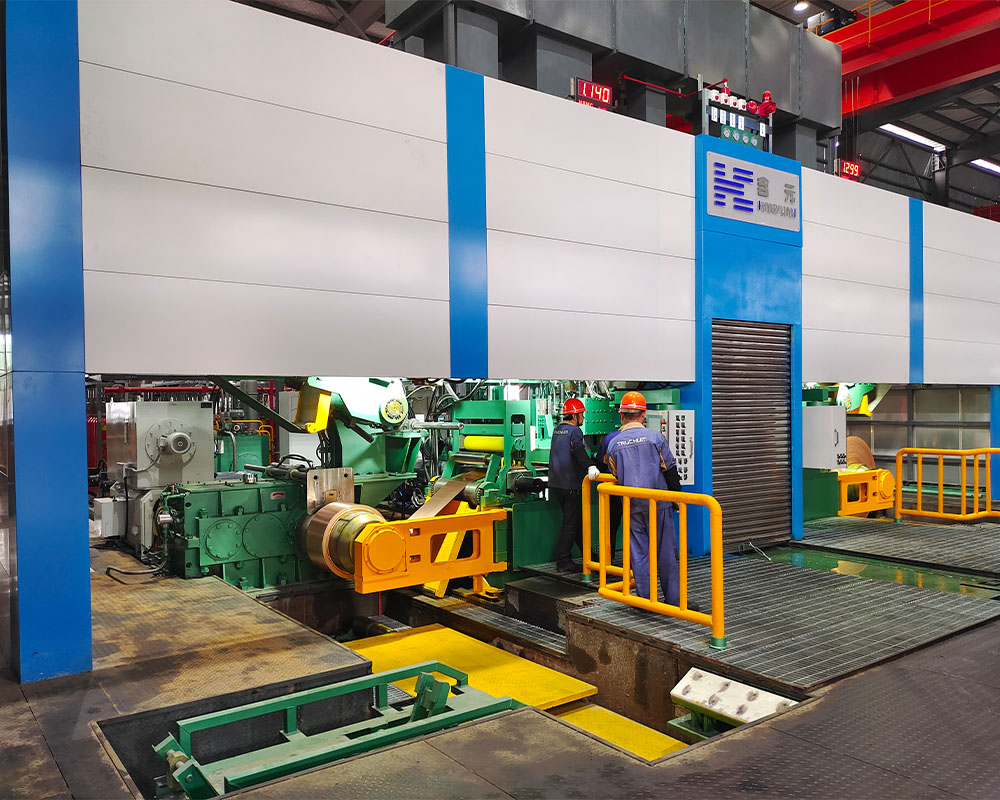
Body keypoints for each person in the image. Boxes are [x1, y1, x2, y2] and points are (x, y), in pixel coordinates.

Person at [605, 391, 694, 610]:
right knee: (666, 553)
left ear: (621, 415)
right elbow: (670, 470)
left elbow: (615, 474)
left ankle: (644, 601)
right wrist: (676, 498)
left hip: (632, 506)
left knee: (639, 554)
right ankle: (673, 601)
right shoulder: (656, 438)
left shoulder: (613, 444)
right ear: (643, 415)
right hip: (658, 503)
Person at [549, 397, 600, 572]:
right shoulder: (575, 431)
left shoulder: (557, 430)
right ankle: (563, 560)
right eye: (582, 415)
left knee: (575, 522)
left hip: (557, 485)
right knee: (571, 524)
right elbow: (578, 449)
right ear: (575, 415)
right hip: (571, 485)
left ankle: (589, 556)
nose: (583, 418)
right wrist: (590, 466)